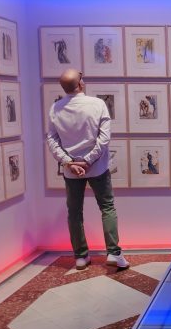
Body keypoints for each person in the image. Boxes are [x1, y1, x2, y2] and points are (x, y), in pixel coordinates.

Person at [46, 68, 129, 271]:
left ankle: (81, 256)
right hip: (97, 167)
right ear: (80, 84)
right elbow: (104, 138)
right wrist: (88, 160)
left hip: (71, 171)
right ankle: (114, 252)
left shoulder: (55, 108)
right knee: (107, 207)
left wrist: (69, 162)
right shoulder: (97, 104)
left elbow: (52, 140)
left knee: (74, 212)